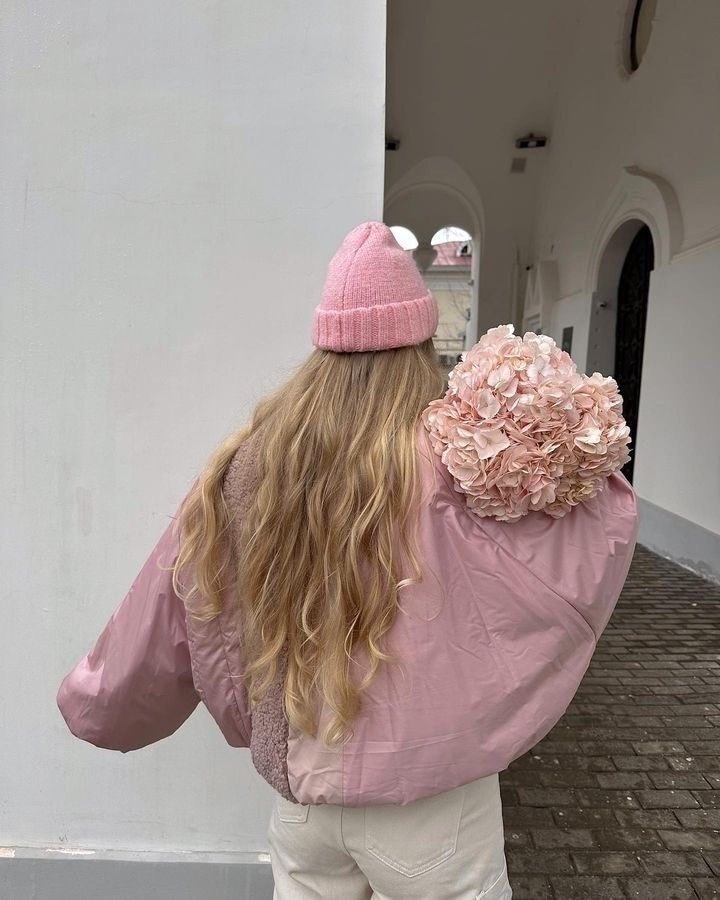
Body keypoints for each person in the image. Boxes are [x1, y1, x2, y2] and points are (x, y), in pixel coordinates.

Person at [57, 221, 639, 900]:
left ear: (324, 344)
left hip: (305, 796)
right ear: (422, 341)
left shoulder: (255, 462)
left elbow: (170, 600)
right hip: (431, 804)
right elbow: (594, 532)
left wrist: (102, 704)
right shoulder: (460, 465)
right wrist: (564, 438)